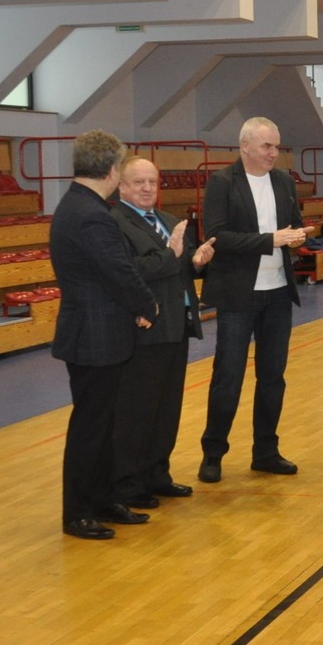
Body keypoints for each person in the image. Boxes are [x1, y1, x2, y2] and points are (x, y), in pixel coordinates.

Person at [49, 130, 162, 538]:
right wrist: (147, 305)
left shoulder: (77, 204)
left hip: (96, 332)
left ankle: (101, 499)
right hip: (94, 335)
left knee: (104, 424)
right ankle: (78, 511)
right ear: (114, 170)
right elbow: (119, 271)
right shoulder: (91, 213)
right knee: (91, 427)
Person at [197, 117, 307, 483]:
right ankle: (213, 453)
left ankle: (266, 451)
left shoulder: (284, 182)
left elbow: (292, 226)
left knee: (273, 377)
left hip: (278, 294)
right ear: (245, 146)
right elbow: (217, 236)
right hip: (237, 295)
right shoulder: (222, 182)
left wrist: (298, 237)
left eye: (276, 146)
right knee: (228, 376)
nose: (274, 153)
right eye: (266, 146)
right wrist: (270, 240)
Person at [110, 157, 215, 512]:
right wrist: (172, 255)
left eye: (152, 182)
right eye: (138, 182)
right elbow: (130, 270)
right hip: (146, 327)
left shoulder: (170, 221)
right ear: (121, 186)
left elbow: (182, 265)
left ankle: (157, 474)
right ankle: (129, 483)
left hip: (177, 324)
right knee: (139, 409)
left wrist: (197, 261)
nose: (146, 188)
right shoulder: (116, 223)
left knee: (167, 407)